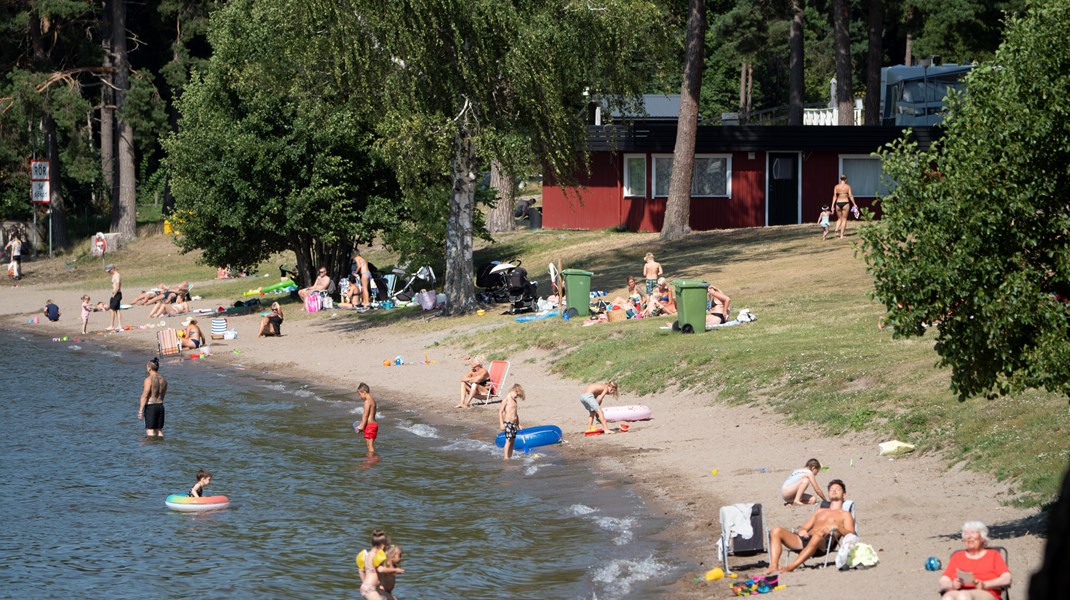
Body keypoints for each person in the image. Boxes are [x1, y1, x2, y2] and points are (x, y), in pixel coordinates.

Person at [765, 479, 855, 574]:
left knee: (817, 536)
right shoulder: (819, 511)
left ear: (844, 495)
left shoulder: (845, 514)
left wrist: (838, 528)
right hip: (806, 540)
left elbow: (851, 534)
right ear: (828, 494)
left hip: (823, 544)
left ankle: (791, 566)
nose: (834, 490)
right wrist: (802, 531)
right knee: (776, 530)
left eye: (838, 489)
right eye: (831, 489)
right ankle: (773, 566)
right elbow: (804, 528)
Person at [939, 521, 1012, 599]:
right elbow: (943, 580)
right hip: (959, 591)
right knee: (948, 597)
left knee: (963, 596)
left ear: (983, 538)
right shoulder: (957, 556)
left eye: (973, 533)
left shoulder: (993, 555)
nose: (969, 536)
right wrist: (952, 584)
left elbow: (1007, 578)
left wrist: (985, 584)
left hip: (986, 592)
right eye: (966, 533)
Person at [359, 529, 403, 600]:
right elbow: (381, 569)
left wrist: (364, 584)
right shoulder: (376, 557)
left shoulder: (367, 555)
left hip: (369, 588)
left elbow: (361, 570)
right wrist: (395, 570)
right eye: (386, 547)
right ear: (382, 546)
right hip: (370, 589)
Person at [138, 357, 167, 437]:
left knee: (150, 431)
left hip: (151, 407)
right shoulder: (164, 379)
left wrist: (140, 410)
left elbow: (145, 395)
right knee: (159, 430)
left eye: (147, 366)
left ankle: (151, 449)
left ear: (149, 368)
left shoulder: (148, 379)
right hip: (160, 406)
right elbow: (163, 394)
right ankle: (160, 446)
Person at [498, 383, 524, 459]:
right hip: (508, 423)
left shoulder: (514, 401)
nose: (517, 397)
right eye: (516, 395)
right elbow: (500, 412)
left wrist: (518, 424)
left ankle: (510, 456)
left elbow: (516, 414)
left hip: (514, 424)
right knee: (508, 440)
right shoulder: (506, 400)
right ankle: (506, 458)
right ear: (513, 390)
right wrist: (501, 423)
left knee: (512, 441)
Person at [354, 382, 379, 454]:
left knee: (370, 446)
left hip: (370, 426)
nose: (360, 397)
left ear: (364, 392)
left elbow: (365, 415)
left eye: (360, 394)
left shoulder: (367, 401)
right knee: (368, 445)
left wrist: (361, 426)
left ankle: (372, 460)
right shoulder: (372, 400)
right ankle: (371, 459)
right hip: (372, 425)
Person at [831, 175, 857, 239]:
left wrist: (832, 205)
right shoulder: (847, 186)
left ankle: (836, 229)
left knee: (839, 218)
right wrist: (854, 204)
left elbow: (834, 196)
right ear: (846, 179)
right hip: (845, 202)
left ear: (840, 179)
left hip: (838, 203)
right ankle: (841, 235)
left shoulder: (836, 186)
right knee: (844, 219)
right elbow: (850, 196)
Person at [105, 264, 122, 331]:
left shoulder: (117, 275)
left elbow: (117, 286)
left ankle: (112, 325)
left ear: (113, 269)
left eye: (109, 271)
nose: (109, 272)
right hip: (117, 294)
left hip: (116, 294)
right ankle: (119, 325)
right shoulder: (115, 275)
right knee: (117, 310)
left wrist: (113, 295)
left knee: (111, 310)